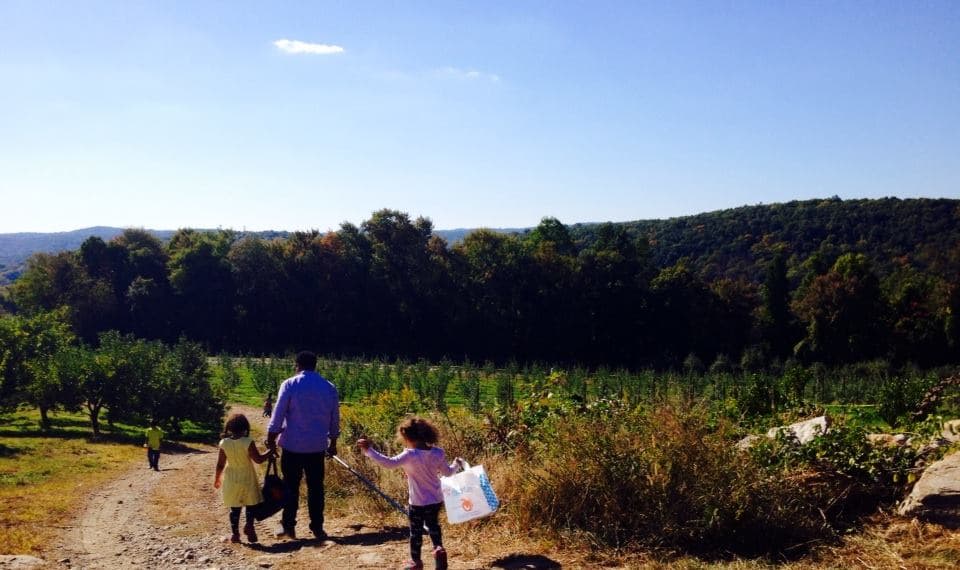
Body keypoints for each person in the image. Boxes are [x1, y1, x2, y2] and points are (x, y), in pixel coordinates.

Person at [357, 417, 462, 570]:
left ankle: (415, 562)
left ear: (408, 437)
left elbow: (389, 463)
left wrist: (369, 450)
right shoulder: (438, 453)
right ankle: (439, 549)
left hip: (417, 501)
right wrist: (456, 464)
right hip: (436, 499)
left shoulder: (410, 455)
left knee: (416, 532)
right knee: (433, 525)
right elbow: (448, 473)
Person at [266, 351, 340, 540]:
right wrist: (333, 442)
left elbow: (278, 414)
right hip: (317, 447)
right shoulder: (329, 387)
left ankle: (288, 526)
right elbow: (334, 418)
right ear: (315, 365)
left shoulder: (290, 384)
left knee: (290, 486)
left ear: (297, 365)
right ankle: (317, 527)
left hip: (293, 446)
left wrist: (271, 439)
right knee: (316, 488)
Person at [214, 413, 272, 543]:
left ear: (229, 427)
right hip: (247, 476)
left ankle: (235, 534)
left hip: (231, 477)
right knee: (251, 504)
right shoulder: (247, 442)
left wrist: (217, 479)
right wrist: (270, 451)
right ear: (245, 427)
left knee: (234, 507)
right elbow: (258, 460)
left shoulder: (224, 443)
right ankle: (249, 526)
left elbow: (220, 464)